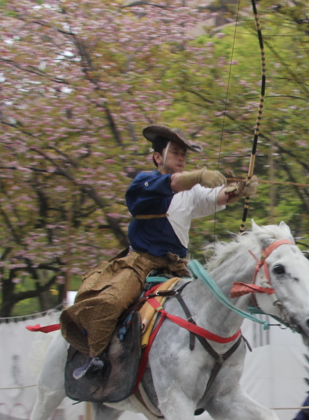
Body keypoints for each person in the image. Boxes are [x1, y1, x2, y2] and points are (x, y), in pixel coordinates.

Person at [60, 124, 256, 374]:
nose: (182, 158)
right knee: (112, 301)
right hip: (140, 264)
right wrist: (197, 176)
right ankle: (96, 358)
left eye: (184, 154)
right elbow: (172, 183)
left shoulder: (191, 192)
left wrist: (238, 191)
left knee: (212, 301)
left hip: (177, 269)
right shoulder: (145, 182)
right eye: (175, 152)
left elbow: (214, 197)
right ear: (157, 157)